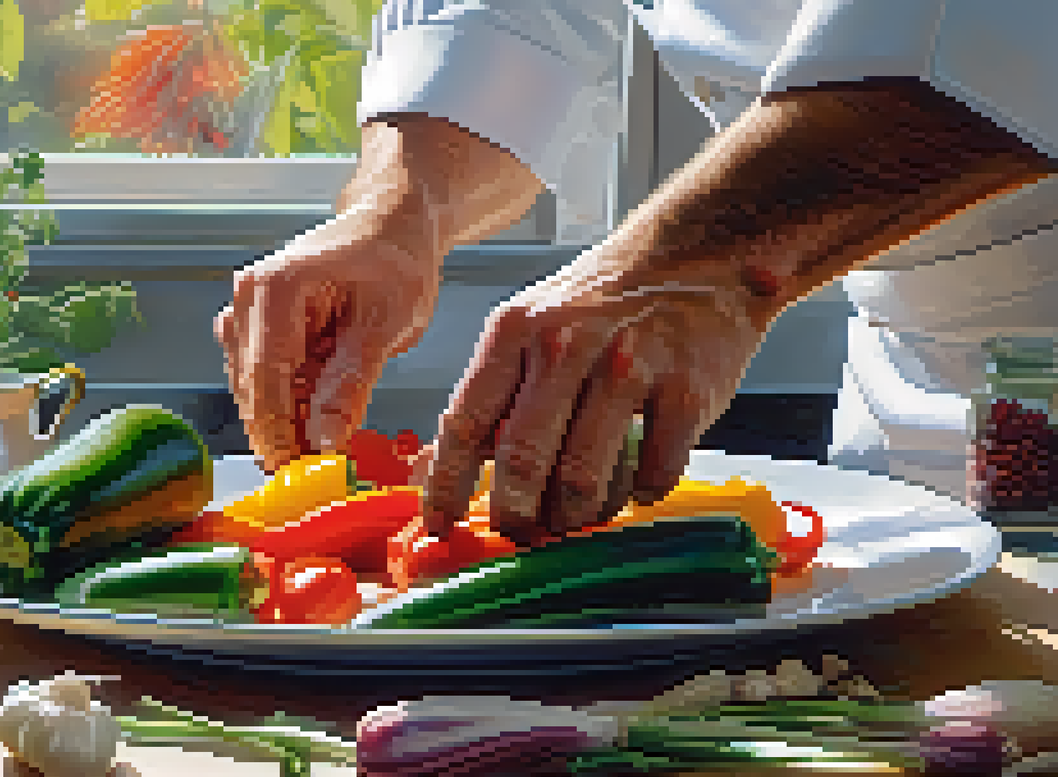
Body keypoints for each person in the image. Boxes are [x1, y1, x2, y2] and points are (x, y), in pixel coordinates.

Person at [214, 0, 1058, 547]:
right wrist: (399, 210)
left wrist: (699, 263)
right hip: (911, 421)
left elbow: (1007, 36)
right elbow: (509, 15)